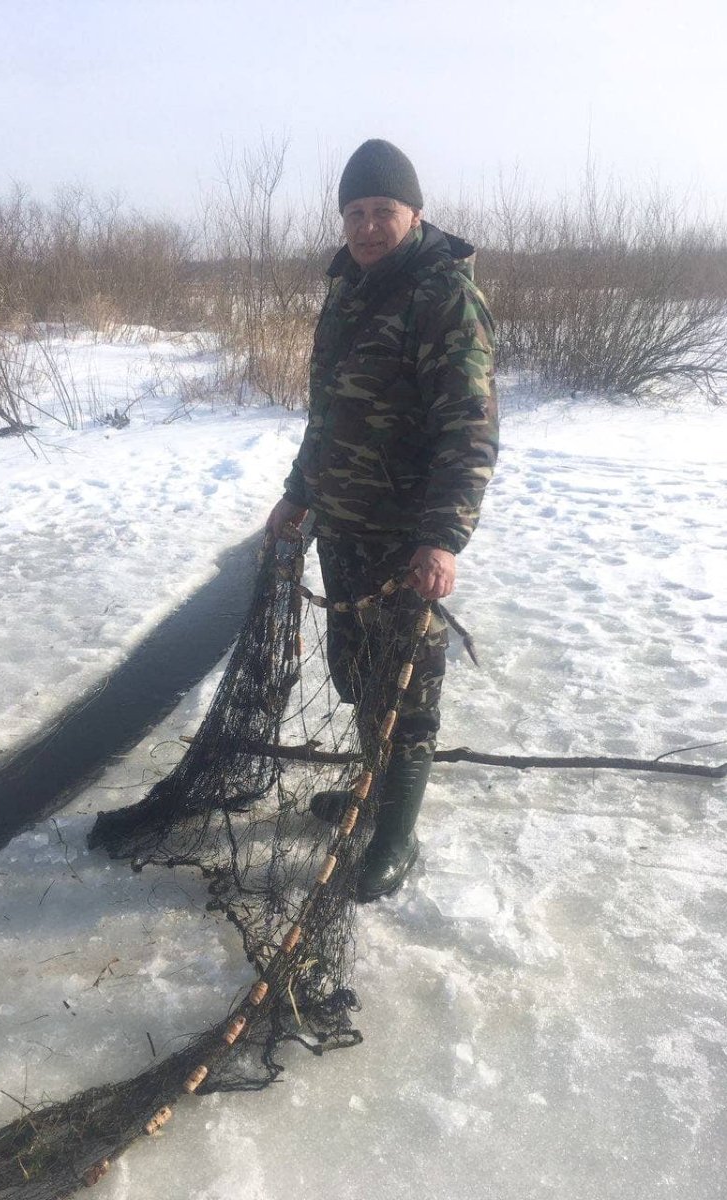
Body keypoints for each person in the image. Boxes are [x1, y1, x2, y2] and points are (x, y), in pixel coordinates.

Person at [265, 138, 498, 902]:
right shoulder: (348, 290)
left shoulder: (443, 296)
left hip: (405, 539)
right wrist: (299, 491)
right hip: (341, 527)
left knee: (408, 686)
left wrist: (442, 539)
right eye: (355, 213)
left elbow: (468, 432)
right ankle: (372, 788)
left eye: (383, 211)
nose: (367, 226)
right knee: (362, 674)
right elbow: (326, 414)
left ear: (415, 214)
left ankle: (397, 833)